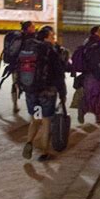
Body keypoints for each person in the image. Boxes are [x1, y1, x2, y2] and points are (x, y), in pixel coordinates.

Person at [21, 26, 67, 162]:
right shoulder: (50, 51)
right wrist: (63, 93)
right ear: (46, 37)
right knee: (46, 122)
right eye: (52, 36)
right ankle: (44, 152)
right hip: (47, 93)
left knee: (35, 119)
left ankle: (29, 142)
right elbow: (59, 74)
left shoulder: (31, 48)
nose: (54, 39)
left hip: (31, 91)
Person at [77, 26, 100, 124]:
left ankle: (83, 109)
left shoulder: (86, 42)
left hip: (88, 74)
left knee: (89, 95)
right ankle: (99, 117)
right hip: (99, 74)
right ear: (96, 32)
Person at [0, 20, 36, 114]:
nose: (34, 29)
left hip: (15, 65)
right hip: (23, 65)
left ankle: (15, 105)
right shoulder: (24, 38)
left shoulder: (18, 37)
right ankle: (26, 105)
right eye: (33, 27)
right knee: (26, 83)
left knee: (15, 84)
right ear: (28, 28)